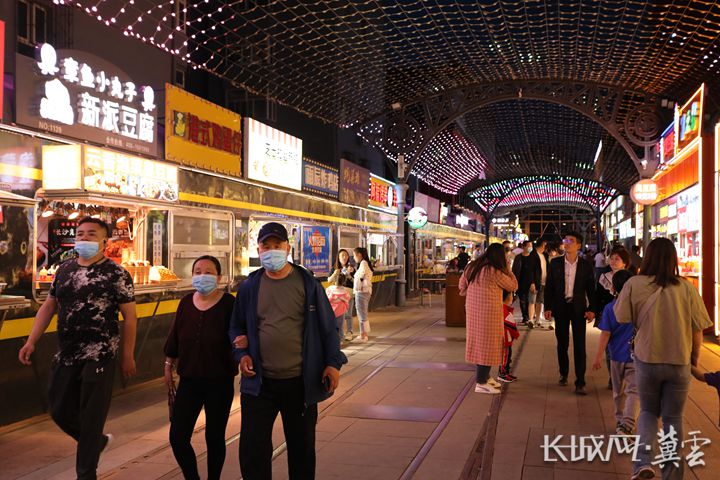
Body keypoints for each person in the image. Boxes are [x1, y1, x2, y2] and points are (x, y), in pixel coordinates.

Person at [18, 217, 137, 480]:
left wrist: (127, 355)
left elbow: (130, 318)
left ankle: (86, 473)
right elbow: (49, 306)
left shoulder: (117, 274)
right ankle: (97, 442)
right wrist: (31, 340)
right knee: (58, 409)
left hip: (101, 355)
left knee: (92, 417)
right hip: (67, 353)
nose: (83, 239)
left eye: (91, 234)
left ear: (105, 242)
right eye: (80, 234)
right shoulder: (65, 269)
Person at [229, 222, 346, 480]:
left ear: (288, 248)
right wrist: (241, 354)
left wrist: (333, 364)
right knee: (253, 452)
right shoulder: (250, 287)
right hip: (259, 385)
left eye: (277, 246)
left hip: (300, 384)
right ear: (258, 251)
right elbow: (236, 327)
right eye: (266, 247)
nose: (271, 251)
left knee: (302, 452)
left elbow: (328, 329)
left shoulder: (307, 284)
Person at [613, 238, 712, 480]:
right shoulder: (686, 287)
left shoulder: (634, 283)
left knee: (647, 412)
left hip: (647, 359)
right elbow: (698, 328)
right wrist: (694, 359)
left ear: (646, 257)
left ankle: (643, 464)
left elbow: (621, 317)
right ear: (672, 259)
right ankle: (672, 474)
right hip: (679, 362)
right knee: (673, 418)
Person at [164, 255, 237, 480]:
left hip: (220, 381)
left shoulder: (229, 304)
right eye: (197, 271)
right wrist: (168, 363)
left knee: (214, 437)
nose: (202, 276)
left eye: (208, 272)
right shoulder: (186, 302)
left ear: (219, 277)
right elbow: (176, 336)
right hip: (189, 381)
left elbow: (239, 335)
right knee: (178, 436)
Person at [459, 243, 518, 395]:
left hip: (473, 312)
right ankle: (481, 382)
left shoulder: (472, 266)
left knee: (479, 343)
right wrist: (509, 269)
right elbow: (513, 286)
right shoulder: (494, 271)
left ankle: (485, 376)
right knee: (488, 345)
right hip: (489, 313)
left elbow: (461, 286)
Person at [543, 231, 596, 395]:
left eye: (571, 241)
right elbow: (549, 287)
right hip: (561, 307)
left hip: (578, 308)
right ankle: (563, 373)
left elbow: (591, 290)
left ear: (578, 246)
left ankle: (580, 381)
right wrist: (548, 307)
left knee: (580, 345)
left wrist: (591, 309)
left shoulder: (586, 265)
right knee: (562, 343)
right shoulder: (555, 263)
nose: (566, 243)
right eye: (565, 240)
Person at [592, 269, 638, 436]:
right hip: (635, 356)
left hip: (616, 356)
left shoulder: (610, 308)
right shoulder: (638, 307)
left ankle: (621, 420)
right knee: (634, 390)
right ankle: (627, 422)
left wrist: (598, 356)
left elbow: (605, 333)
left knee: (618, 392)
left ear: (614, 289)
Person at [328, 249, 355, 341]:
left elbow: (356, 282)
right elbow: (329, 280)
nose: (344, 257)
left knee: (348, 314)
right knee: (338, 315)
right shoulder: (334, 268)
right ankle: (339, 333)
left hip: (348, 293)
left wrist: (350, 275)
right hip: (337, 295)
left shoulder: (351, 268)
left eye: (346, 255)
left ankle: (350, 331)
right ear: (338, 258)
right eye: (342, 255)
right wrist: (335, 274)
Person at [512, 240, 539, 325]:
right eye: (528, 246)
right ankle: (525, 316)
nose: (530, 247)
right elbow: (514, 270)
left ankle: (529, 316)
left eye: (531, 246)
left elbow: (536, 271)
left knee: (530, 301)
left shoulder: (533, 257)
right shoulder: (518, 258)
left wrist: (534, 282)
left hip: (531, 283)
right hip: (520, 282)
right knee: (522, 301)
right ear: (523, 247)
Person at [352, 247, 374, 343]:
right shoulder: (365, 263)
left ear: (359, 255)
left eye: (354, 255)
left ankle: (363, 335)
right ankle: (363, 334)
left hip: (362, 292)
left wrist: (357, 288)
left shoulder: (363, 263)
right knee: (362, 313)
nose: (353, 258)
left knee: (362, 313)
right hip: (366, 291)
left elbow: (360, 276)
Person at [498, 290, 519, 383]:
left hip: (506, 338)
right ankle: (503, 373)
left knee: (507, 355)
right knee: (506, 356)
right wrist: (516, 334)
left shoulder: (502, 308)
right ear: (508, 297)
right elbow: (511, 325)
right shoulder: (504, 310)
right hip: (505, 339)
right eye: (511, 295)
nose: (512, 297)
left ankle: (505, 371)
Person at [528, 239, 549, 329]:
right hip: (535, 282)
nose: (545, 247)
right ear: (542, 244)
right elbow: (530, 270)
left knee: (540, 301)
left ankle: (537, 319)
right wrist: (532, 282)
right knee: (532, 301)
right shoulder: (533, 255)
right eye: (545, 245)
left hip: (543, 282)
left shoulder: (544, 255)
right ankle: (530, 319)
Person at [325, 274, 353, 343]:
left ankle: (331, 340)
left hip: (331, 311)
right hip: (340, 311)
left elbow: (326, 298)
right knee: (340, 327)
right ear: (344, 281)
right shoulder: (345, 291)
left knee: (331, 326)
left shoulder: (329, 289)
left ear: (334, 280)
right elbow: (348, 298)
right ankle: (340, 339)